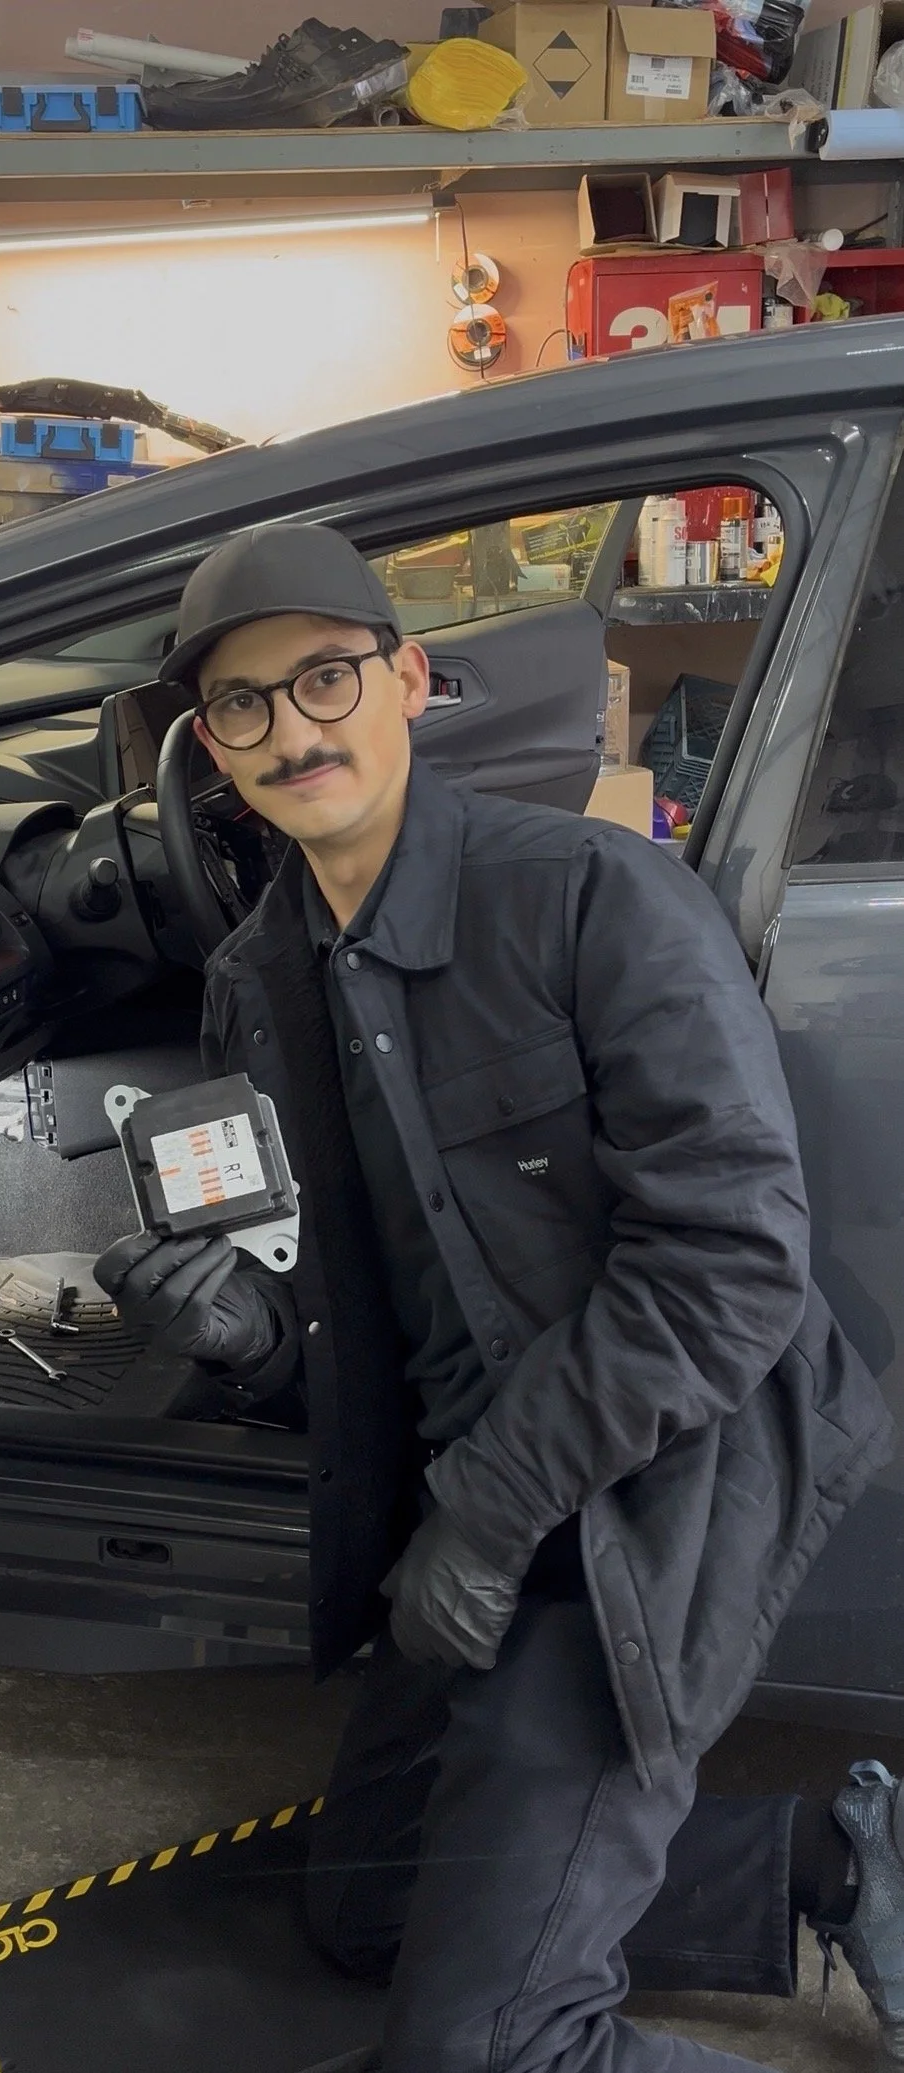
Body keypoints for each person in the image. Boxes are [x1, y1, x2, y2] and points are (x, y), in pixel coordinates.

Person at [94, 522, 902, 2073]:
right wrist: (233, 1335)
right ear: (212, 746)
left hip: (643, 1483)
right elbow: (341, 1323)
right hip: (467, 1492)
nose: (292, 729)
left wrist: (482, 1512)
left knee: (489, 2054)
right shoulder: (258, 985)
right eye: (243, 705)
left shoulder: (593, 899)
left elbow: (729, 1269)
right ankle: (833, 1863)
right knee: (365, 1912)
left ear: (407, 678)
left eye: (324, 677)